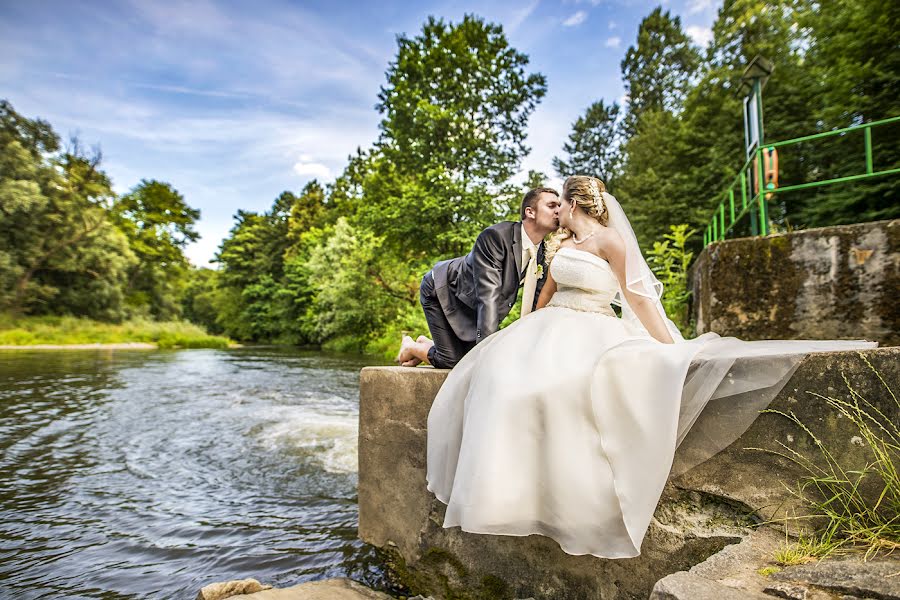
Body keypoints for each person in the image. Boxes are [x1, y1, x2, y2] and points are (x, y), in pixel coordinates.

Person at [425, 175, 877, 559]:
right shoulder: (560, 245)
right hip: (550, 324)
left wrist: (669, 345)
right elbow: (544, 294)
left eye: (560, 202)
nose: (556, 210)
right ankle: (504, 495)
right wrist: (517, 335)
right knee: (507, 385)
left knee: (574, 390)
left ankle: (575, 507)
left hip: (595, 325)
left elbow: (637, 297)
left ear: (576, 202)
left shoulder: (611, 242)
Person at [397, 187, 561, 369]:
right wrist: (487, 353)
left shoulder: (544, 252)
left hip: (474, 302)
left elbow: (536, 303)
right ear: (530, 212)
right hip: (442, 289)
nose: (558, 211)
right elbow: (488, 296)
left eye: (560, 206)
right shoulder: (495, 237)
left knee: (466, 357)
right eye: (552, 205)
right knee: (454, 361)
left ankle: (423, 345)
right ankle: (410, 346)